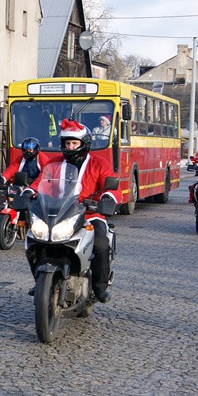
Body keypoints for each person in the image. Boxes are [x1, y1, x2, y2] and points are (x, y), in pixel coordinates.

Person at [26, 119, 121, 303]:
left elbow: (112, 185)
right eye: (67, 143)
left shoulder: (99, 163)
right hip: (59, 212)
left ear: (84, 144)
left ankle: (100, 287)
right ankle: (40, 280)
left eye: (74, 143)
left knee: (100, 244)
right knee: (36, 240)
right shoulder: (54, 163)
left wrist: (108, 197)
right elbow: (41, 181)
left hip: (90, 214)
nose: (70, 147)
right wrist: (29, 192)